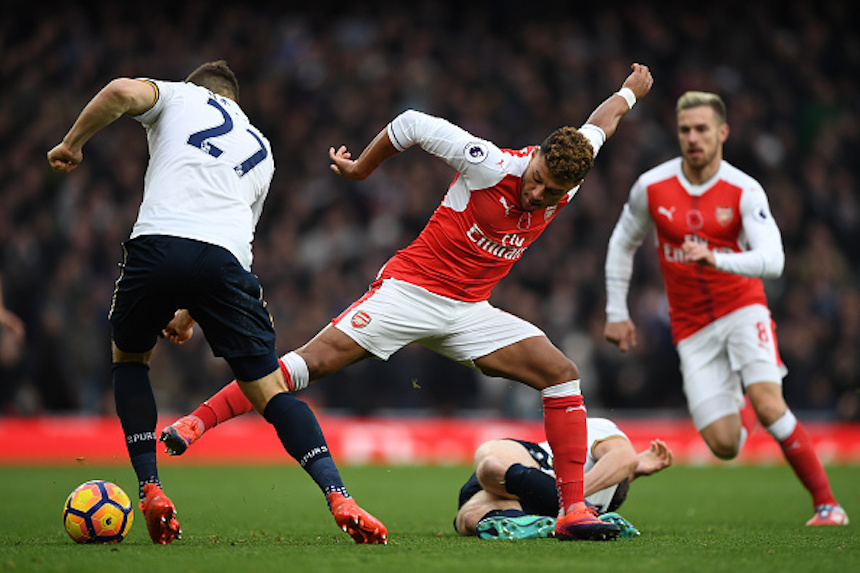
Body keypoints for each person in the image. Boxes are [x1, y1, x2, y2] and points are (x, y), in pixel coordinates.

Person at [160, 63, 654, 541]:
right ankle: (196, 421)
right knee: (309, 364)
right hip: (410, 292)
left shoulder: (571, 168)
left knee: (561, 373)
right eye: (538, 178)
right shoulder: (491, 163)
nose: (538, 192)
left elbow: (602, 121)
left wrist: (630, 91)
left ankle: (571, 511)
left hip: (469, 312)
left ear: (573, 186)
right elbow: (412, 123)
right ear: (537, 156)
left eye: (552, 192)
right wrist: (359, 170)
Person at [46, 61, 387, 545]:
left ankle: (150, 488)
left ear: (194, 87)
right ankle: (338, 495)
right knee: (271, 393)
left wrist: (72, 143)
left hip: (157, 244)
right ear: (236, 101)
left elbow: (120, 91)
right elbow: (237, 241)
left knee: (130, 361)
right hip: (225, 261)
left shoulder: (178, 97)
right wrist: (192, 309)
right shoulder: (262, 147)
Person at [603, 91, 848, 527]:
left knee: (771, 406)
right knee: (723, 445)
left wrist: (717, 259)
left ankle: (827, 504)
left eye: (702, 129)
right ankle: (746, 402)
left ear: (722, 132)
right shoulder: (652, 186)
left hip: (742, 309)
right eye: (685, 130)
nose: (693, 138)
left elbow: (773, 261)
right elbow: (623, 242)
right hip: (691, 328)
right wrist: (616, 312)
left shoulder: (743, 189)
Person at [454, 418, 673, 539]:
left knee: (476, 509)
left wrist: (568, 495)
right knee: (469, 518)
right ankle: (558, 524)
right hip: (534, 468)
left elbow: (624, 457)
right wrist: (569, 497)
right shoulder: (598, 434)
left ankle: (555, 521)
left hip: (542, 488)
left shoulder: (605, 432)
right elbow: (624, 460)